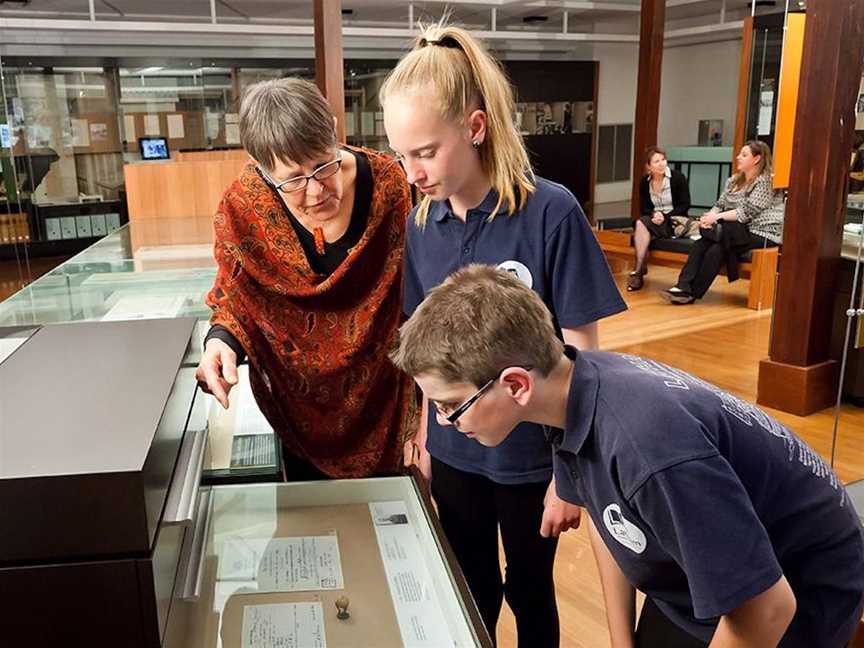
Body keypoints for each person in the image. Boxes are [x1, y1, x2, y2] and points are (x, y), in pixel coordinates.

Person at [390, 263, 864, 648]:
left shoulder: (648, 447)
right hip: (701, 580)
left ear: (516, 384)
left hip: (798, 595)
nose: (447, 422)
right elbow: (609, 518)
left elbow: (767, 608)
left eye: (452, 405)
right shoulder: (567, 390)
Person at [380, 21, 627, 647]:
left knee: (530, 591)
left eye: (426, 152)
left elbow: (583, 356)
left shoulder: (551, 211)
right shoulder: (422, 225)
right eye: (401, 156)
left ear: (476, 126)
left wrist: (568, 476)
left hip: (532, 458)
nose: (412, 173)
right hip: (457, 450)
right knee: (470, 587)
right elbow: (422, 346)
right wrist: (424, 434)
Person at [196, 77, 416, 480]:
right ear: (261, 167)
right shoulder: (243, 208)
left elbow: (419, 292)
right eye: (294, 180)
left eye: (323, 165)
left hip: (385, 401)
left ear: (333, 131)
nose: (315, 191)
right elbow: (236, 298)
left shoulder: (390, 186)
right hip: (297, 410)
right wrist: (219, 343)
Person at [663, 140, 784, 305]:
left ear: (756, 159)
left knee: (717, 248)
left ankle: (692, 293)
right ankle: (682, 286)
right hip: (735, 231)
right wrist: (709, 217)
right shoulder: (734, 181)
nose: (738, 157)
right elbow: (719, 205)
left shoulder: (765, 182)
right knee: (702, 243)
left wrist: (716, 218)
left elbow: (746, 213)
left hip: (761, 233)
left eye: (744, 154)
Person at [628, 146, 692, 292]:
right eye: (656, 161)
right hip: (655, 221)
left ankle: (638, 271)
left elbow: (685, 205)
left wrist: (665, 216)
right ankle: (639, 270)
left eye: (663, 159)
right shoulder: (645, 182)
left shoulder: (677, 178)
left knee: (641, 225)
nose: (662, 163)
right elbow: (644, 208)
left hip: (674, 221)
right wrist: (654, 215)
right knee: (641, 223)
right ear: (648, 166)